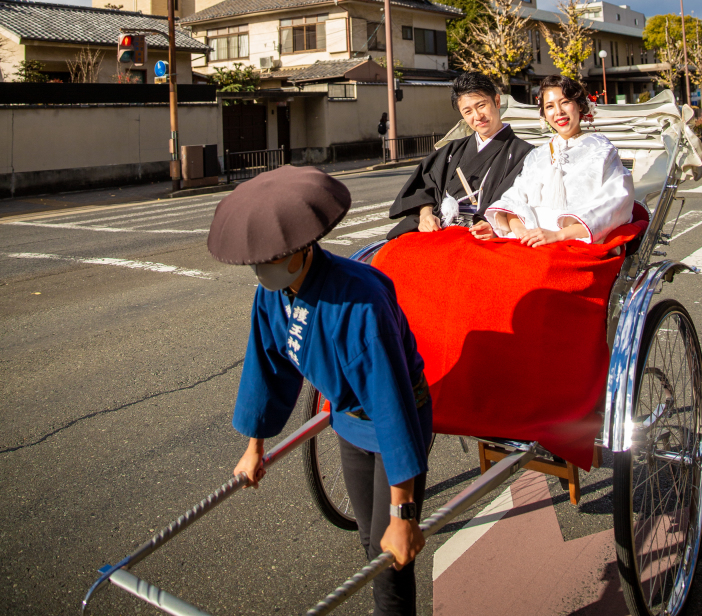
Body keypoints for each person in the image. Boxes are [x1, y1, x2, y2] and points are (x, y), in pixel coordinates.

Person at [207, 165, 431, 616]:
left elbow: (391, 405)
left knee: (392, 551)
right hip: (348, 420)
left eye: (269, 258)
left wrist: (404, 515)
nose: (261, 269)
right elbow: (266, 367)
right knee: (371, 540)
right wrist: (255, 444)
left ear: (300, 248)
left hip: (396, 418)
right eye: (257, 261)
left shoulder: (359, 300)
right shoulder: (271, 294)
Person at [473, 74, 634, 246]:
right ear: (544, 114)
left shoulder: (602, 151)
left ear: (580, 105)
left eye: (565, 102)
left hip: (574, 243)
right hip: (529, 242)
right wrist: (522, 234)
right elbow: (515, 200)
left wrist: (558, 236)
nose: (558, 112)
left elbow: (614, 204)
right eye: (549, 106)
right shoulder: (537, 155)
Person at [387, 71, 532, 238]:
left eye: (481, 105)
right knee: (390, 255)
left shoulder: (524, 154)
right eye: (468, 111)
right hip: (441, 230)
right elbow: (426, 185)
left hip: (484, 235)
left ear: (497, 101)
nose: (477, 116)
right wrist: (426, 215)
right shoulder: (451, 150)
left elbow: (522, 204)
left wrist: (497, 226)